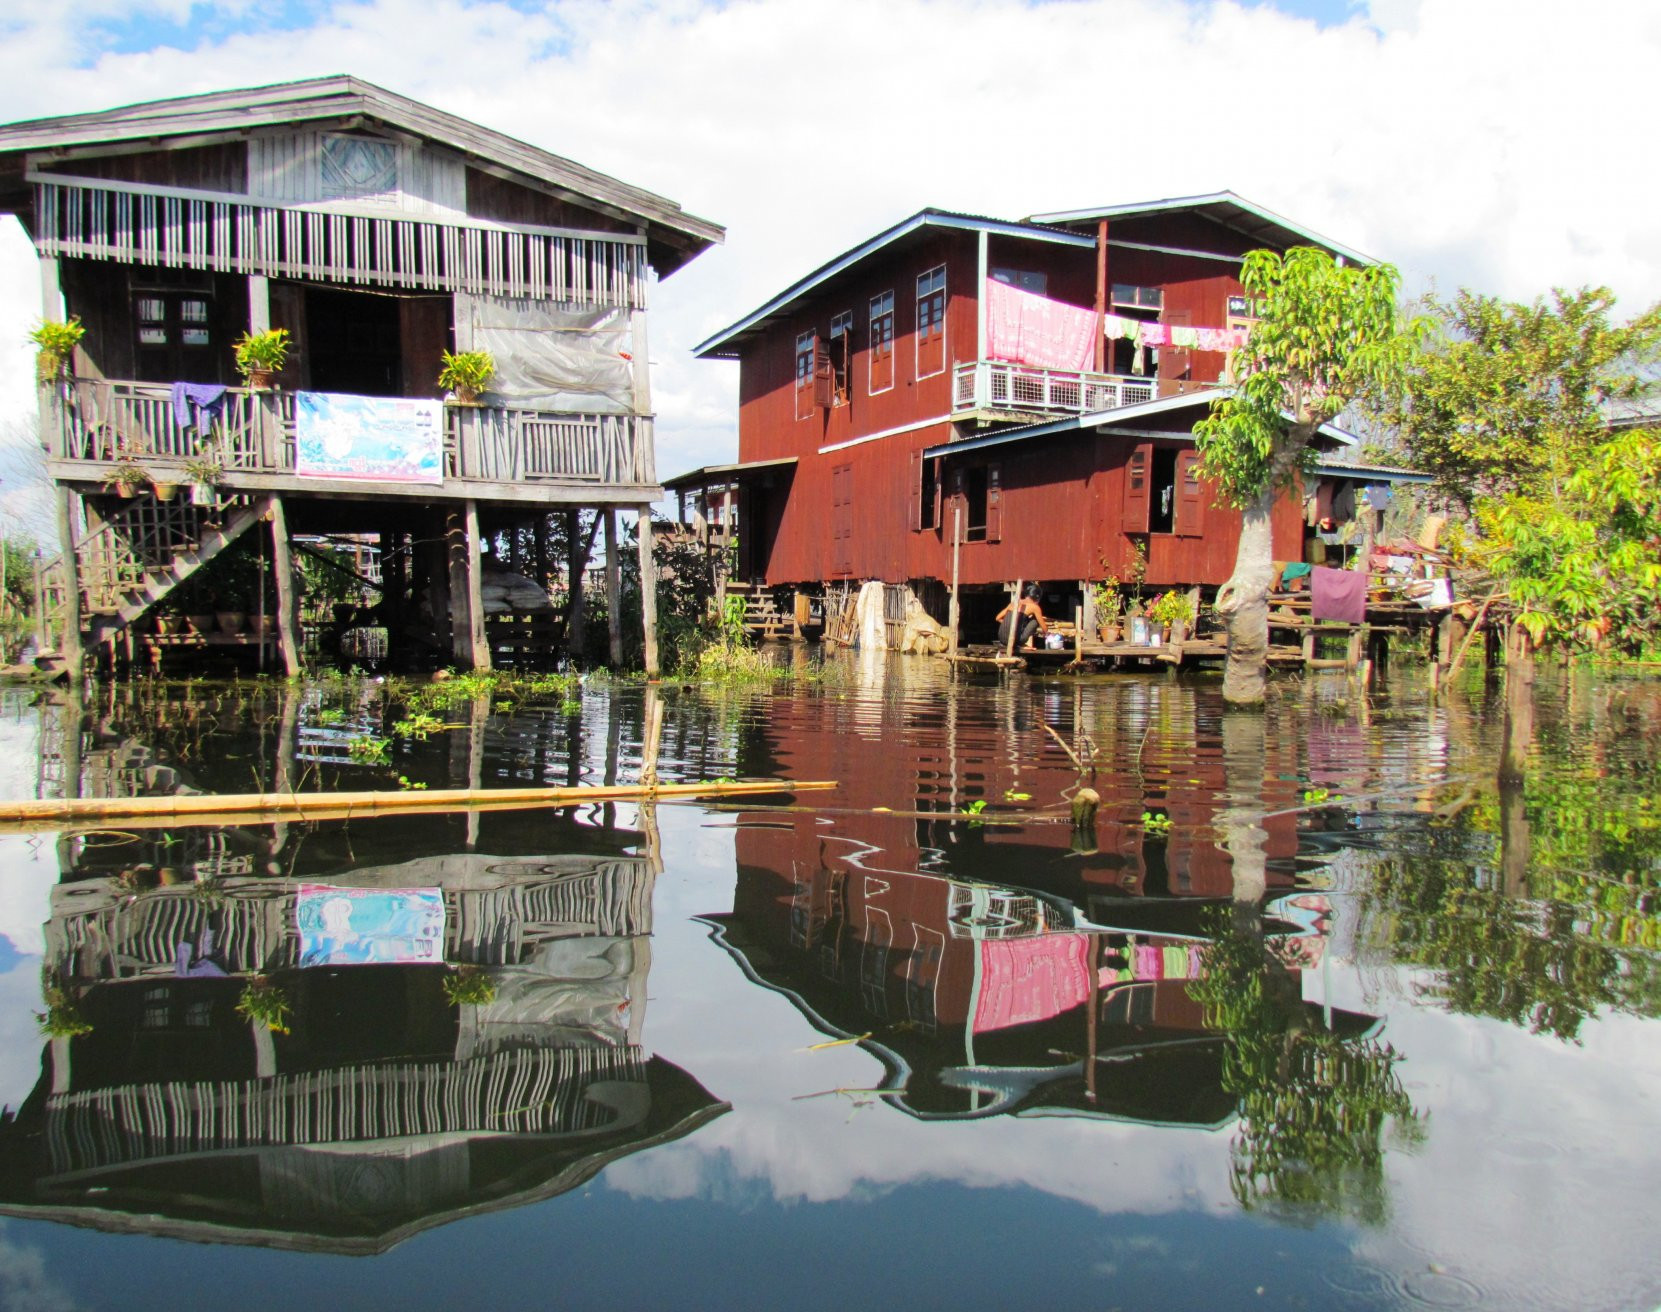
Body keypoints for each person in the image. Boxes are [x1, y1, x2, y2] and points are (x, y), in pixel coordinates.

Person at [995, 584, 1048, 649]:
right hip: (1014, 640)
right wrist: (1048, 635)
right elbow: (1044, 629)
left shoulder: (1015, 602)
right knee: (1035, 620)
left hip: (1001, 638)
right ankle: (1020, 644)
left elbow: (998, 618)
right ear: (1037, 597)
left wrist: (1011, 625)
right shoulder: (1035, 607)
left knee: (1025, 619)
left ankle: (1018, 642)